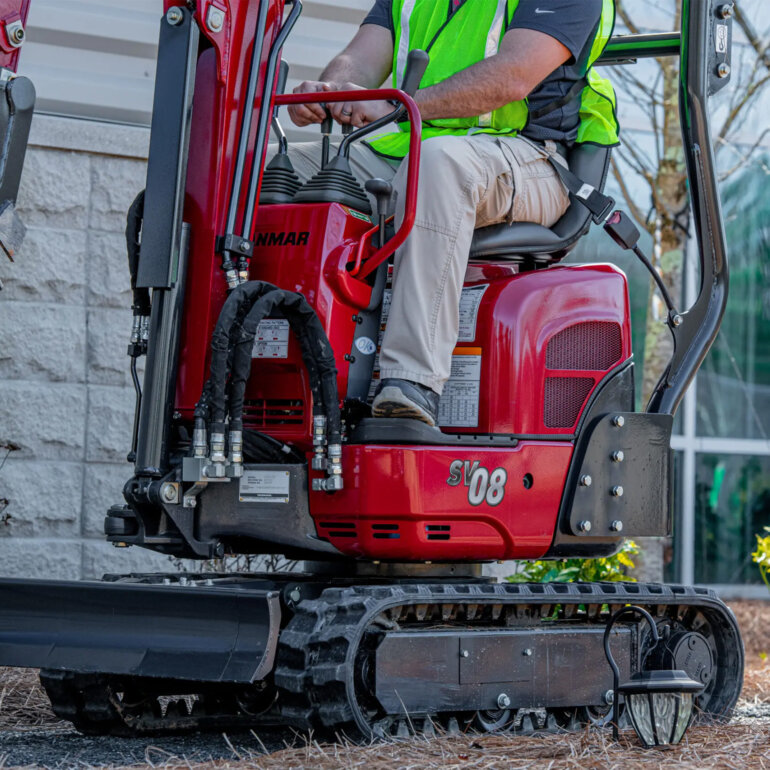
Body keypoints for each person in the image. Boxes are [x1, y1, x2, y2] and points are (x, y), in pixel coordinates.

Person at [286, 0, 619, 426]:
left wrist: (398, 107)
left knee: (439, 164)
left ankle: (411, 382)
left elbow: (513, 76)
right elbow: (360, 59)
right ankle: (273, 369)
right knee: (273, 172)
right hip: (416, 152)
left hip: (530, 158)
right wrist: (332, 91)